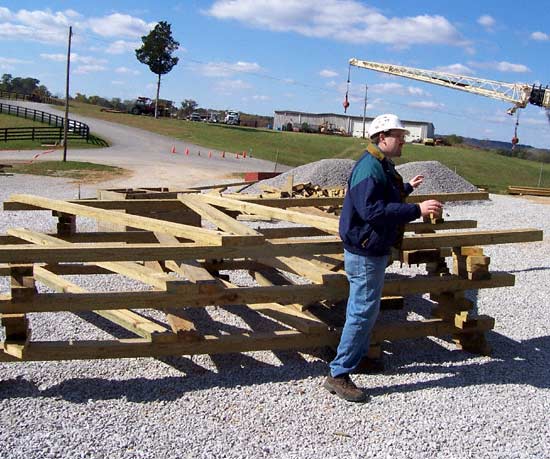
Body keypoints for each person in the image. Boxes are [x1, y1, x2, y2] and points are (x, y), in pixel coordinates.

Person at [323, 114, 443, 403]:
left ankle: (357, 357)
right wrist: (417, 210)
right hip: (366, 251)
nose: (403, 140)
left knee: (365, 309)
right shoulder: (369, 167)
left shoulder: (381, 165)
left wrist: (407, 189)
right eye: (398, 135)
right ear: (381, 137)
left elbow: (384, 195)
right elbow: (372, 211)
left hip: (371, 249)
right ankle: (338, 373)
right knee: (362, 311)